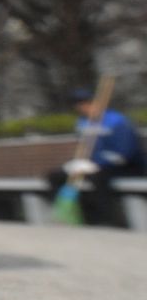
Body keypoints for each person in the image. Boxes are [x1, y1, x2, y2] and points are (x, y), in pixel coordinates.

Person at [46, 89, 143, 227]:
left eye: (87, 103)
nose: (83, 107)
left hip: (124, 166)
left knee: (98, 178)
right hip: (94, 165)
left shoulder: (117, 121)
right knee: (56, 176)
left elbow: (125, 152)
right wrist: (78, 163)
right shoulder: (83, 123)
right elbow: (85, 149)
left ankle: (108, 221)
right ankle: (71, 216)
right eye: (79, 105)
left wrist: (98, 164)